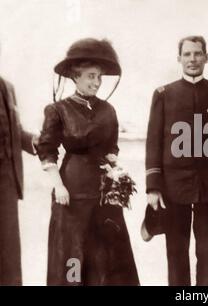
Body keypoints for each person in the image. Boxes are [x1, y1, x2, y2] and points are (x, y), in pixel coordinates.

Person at [37, 38, 139, 285]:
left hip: (105, 192)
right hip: (72, 191)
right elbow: (47, 149)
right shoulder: (58, 109)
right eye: (91, 76)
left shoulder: (108, 110)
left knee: (107, 252)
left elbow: (112, 147)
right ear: (76, 76)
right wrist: (58, 186)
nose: (96, 82)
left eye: (99, 78)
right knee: (74, 252)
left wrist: (118, 174)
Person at [145, 35, 208, 286]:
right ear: (179, 59)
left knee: (207, 251)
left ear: (206, 57)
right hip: (174, 187)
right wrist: (153, 186)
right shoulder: (164, 94)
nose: (192, 59)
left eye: (197, 53)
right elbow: (154, 142)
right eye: (187, 54)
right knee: (176, 251)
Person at [0, 71, 37, 286]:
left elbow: (16, 131)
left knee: (9, 253)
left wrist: (37, 142)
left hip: (8, 184)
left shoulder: (8, 87)